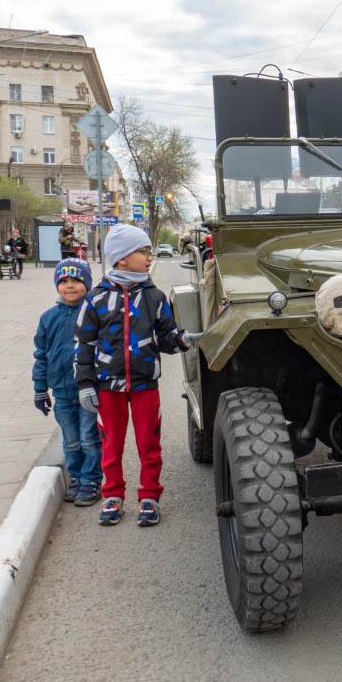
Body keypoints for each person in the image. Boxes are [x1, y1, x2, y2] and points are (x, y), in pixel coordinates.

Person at [74, 225, 201, 526]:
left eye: (147, 251)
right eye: (141, 252)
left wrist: (181, 340)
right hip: (107, 386)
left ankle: (149, 498)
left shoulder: (153, 296)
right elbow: (83, 344)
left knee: (148, 443)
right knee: (111, 444)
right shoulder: (95, 299)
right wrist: (84, 385)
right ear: (120, 259)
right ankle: (113, 496)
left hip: (145, 384)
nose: (148, 257)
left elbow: (166, 334)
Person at [33, 258, 103, 506]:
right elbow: (41, 355)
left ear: (87, 283)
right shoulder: (49, 318)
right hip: (61, 391)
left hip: (88, 389)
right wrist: (40, 388)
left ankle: (92, 479)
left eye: (76, 280)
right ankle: (76, 477)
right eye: (64, 281)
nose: (70, 286)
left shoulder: (94, 314)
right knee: (71, 439)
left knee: (89, 437)